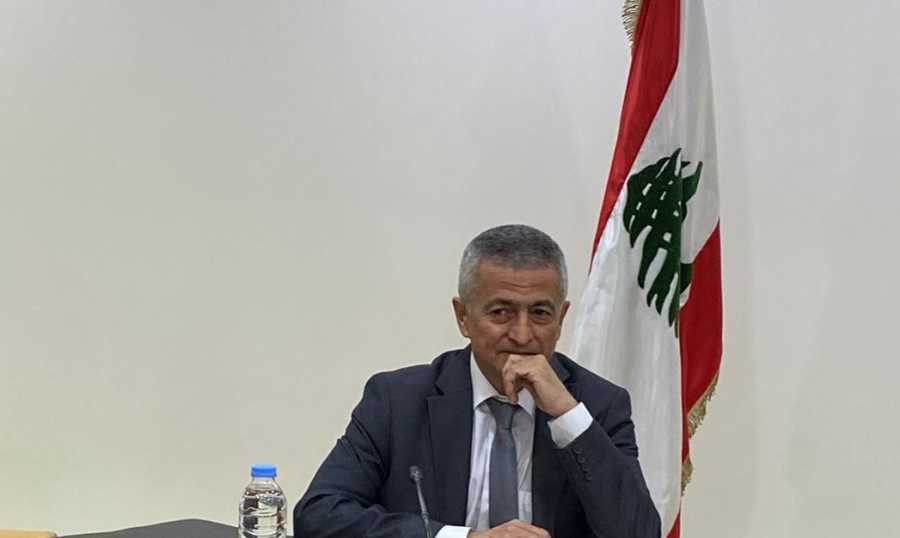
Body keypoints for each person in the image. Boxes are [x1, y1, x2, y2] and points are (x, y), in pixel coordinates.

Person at [294, 224, 660, 537]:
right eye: (501, 312)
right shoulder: (397, 401)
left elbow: (639, 533)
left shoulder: (597, 405)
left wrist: (566, 414)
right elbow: (318, 516)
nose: (522, 335)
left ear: (561, 317)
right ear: (463, 316)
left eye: (540, 313)